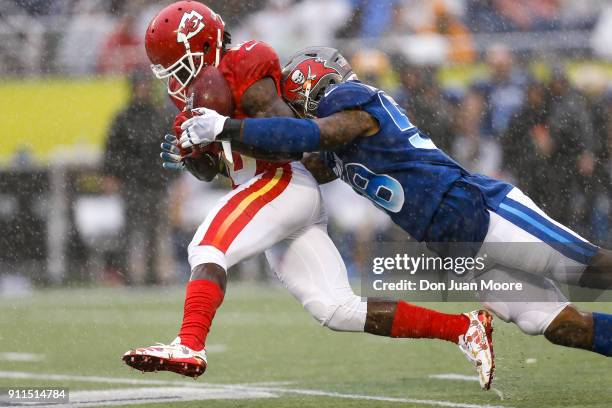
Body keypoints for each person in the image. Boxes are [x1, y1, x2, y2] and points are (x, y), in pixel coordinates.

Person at [123, 2, 495, 389]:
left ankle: (188, 343)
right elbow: (215, 170)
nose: (176, 83)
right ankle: (464, 328)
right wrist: (193, 154)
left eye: (180, 68)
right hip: (267, 192)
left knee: (206, 246)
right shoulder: (194, 96)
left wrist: (222, 129)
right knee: (336, 308)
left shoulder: (246, 64)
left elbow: (287, 143)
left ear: (203, 47)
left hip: (281, 181)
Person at [179, 47, 612, 363]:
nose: (288, 111)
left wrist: (229, 126)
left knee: (591, 270)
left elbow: (312, 136)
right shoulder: (334, 140)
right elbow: (298, 159)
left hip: (482, 213)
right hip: (460, 251)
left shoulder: (349, 103)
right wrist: (213, 154)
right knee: (561, 327)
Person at [102, 69, 173, 285]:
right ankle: (128, 277)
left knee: (154, 232)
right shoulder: (122, 119)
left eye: (145, 86)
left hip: (156, 182)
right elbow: (112, 150)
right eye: (139, 86)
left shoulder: (160, 116)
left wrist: (174, 180)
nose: (143, 90)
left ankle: (153, 277)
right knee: (130, 231)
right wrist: (111, 175)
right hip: (131, 182)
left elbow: (170, 149)